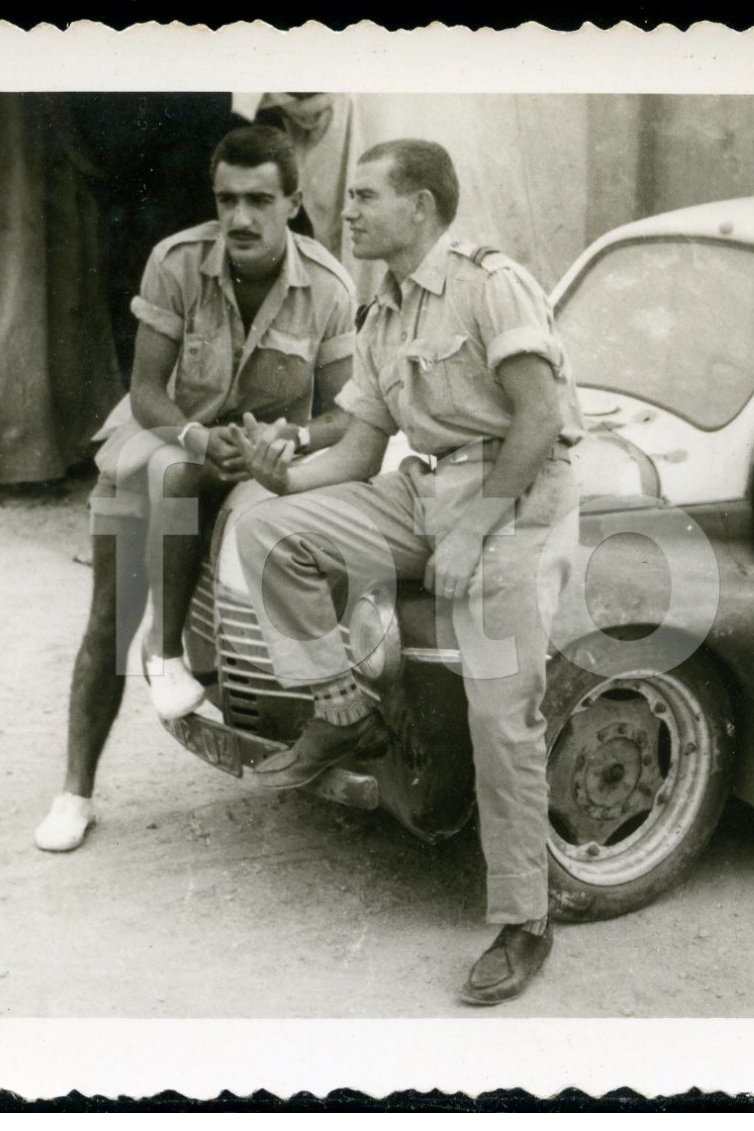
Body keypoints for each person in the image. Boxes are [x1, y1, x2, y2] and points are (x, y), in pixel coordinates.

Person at [229, 139, 584, 1005]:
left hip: (514, 497)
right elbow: (354, 451)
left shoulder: (487, 281)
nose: (344, 212)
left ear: (420, 206)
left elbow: (540, 418)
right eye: (347, 199)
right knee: (268, 529)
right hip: (422, 492)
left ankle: (523, 919)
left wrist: (474, 530)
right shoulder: (380, 312)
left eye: (363, 197)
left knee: (503, 715)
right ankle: (340, 707)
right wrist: (278, 476)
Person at [34, 125, 357, 853]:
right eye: (226, 200)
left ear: (294, 202)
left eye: (259, 200)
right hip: (164, 445)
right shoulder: (176, 262)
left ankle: (284, 731)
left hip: (254, 468)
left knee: (296, 581)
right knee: (109, 621)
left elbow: (345, 413)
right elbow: (147, 390)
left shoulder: (332, 287)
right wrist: (193, 437)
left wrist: (291, 439)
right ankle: (75, 789)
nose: (240, 218)